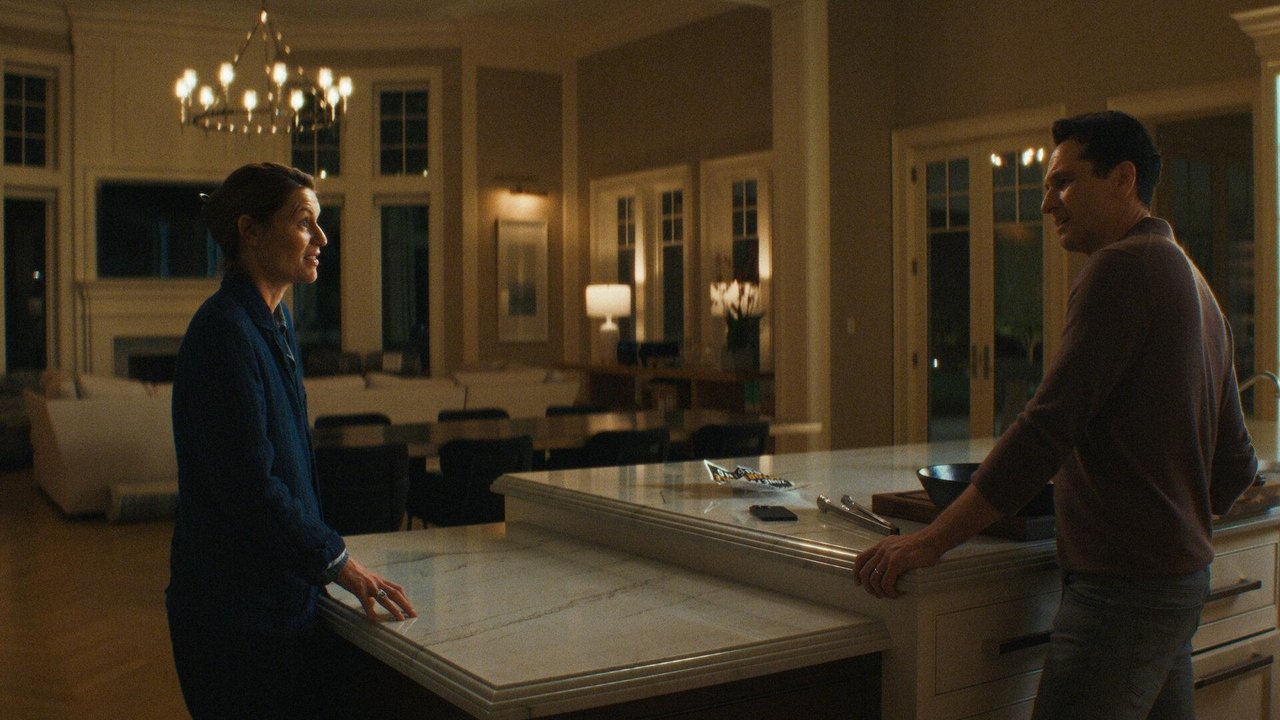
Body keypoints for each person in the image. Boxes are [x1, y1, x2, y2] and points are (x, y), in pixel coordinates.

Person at [852, 111, 1259, 719]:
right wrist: (1173, 521)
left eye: (1064, 182)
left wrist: (930, 543)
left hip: (1122, 591)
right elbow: (1236, 465)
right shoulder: (1194, 282)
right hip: (1176, 583)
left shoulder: (1121, 267)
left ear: (1123, 179)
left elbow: (1045, 432)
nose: (1047, 204)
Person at [166, 162, 417, 719]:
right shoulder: (224, 333)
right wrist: (338, 562)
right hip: (234, 619)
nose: (321, 238)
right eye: (304, 222)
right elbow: (251, 488)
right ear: (250, 231)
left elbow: (289, 468)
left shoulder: (275, 324)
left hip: (278, 603)